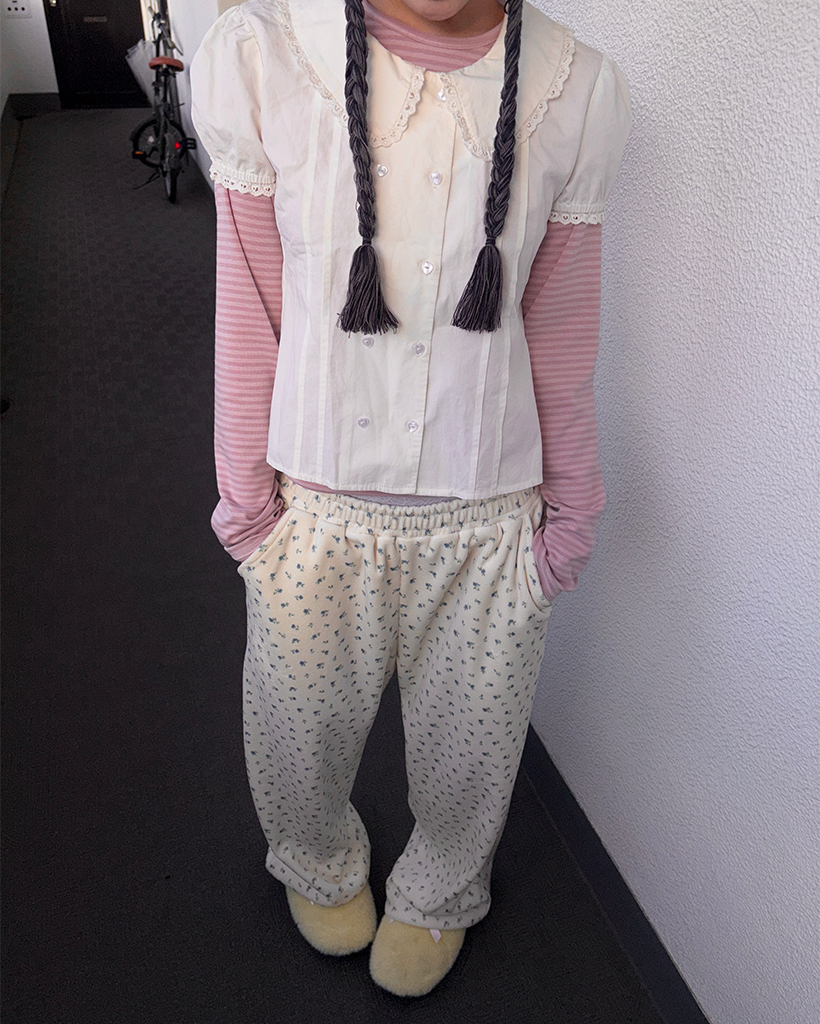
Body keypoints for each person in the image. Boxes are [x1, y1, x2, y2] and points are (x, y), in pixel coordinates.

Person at [191, 0, 630, 997]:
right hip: (314, 521)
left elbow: (560, 331)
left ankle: (440, 886)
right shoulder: (268, 59)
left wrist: (571, 517)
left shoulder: (572, 89)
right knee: (296, 733)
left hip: (489, 525)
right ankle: (316, 858)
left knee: (473, 750)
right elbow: (249, 308)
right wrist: (248, 509)